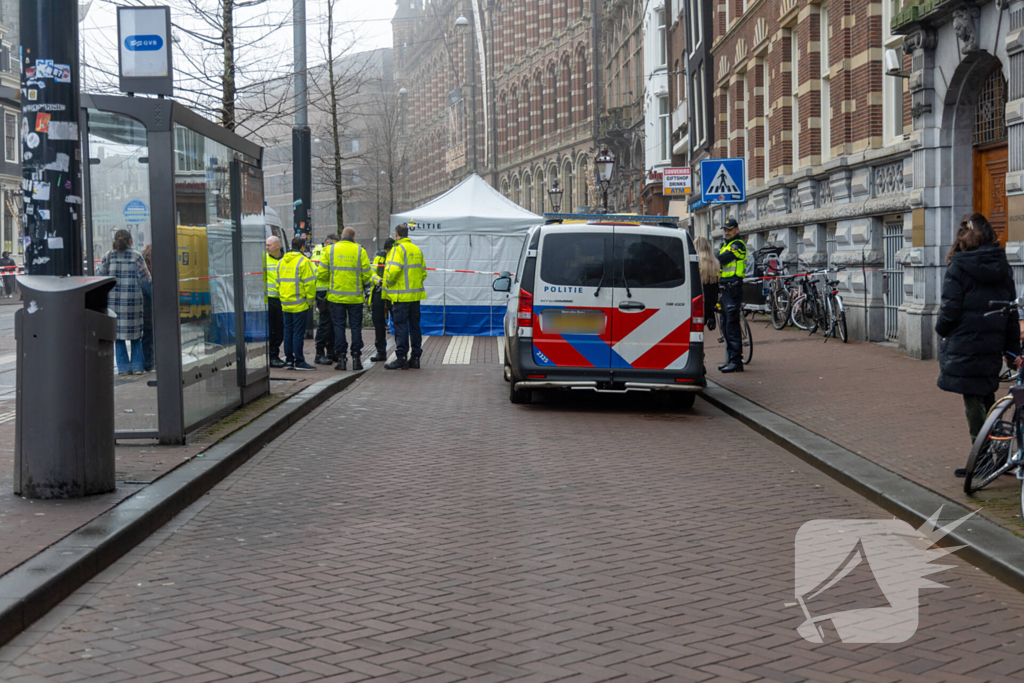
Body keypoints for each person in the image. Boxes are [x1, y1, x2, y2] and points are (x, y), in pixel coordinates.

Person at [936, 213, 1020, 447]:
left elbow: (949, 310)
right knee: (988, 394)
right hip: (993, 344)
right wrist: (1012, 350)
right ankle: (997, 452)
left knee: (973, 400)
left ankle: (981, 455)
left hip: (965, 343)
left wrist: (941, 328)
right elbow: (1011, 311)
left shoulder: (958, 266)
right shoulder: (1002, 265)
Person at [97, 229, 152, 375]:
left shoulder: (108, 256)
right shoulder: (136, 256)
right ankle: (137, 367)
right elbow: (145, 279)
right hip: (133, 303)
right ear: (130, 241)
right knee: (136, 335)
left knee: (118, 336)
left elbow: (99, 275)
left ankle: (123, 369)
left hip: (113, 304)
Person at [319, 227, 373, 371]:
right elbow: (367, 275)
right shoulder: (360, 250)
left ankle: (342, 359)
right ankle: (356, 359)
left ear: (342, 236)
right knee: (356, 328)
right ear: (353, 238)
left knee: (339, 328)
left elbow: (322, 273)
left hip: (336, 298)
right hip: (355, 298)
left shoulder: (330, 250)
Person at [384, 223, 427, 370]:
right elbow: (423, 273)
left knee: (401, 326)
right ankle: (415, 358)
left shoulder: (398, 249)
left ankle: (401, 357)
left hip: (401, 297)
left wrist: (387, 282)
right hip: (415, 297)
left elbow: (394, 270)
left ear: (396, 235)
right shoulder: (417, 250)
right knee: (415, 326)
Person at [278, 235, 317, 370]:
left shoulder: (282, 261)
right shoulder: (304, 261)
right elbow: (310, 284)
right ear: (302, 247)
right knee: (298, 333)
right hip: (299, 304)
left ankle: (289, 361)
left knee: (287, 332)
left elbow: (278, 282)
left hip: (285, 303)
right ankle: (299, 361)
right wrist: (309, 302)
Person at [716, 218, 747, 373]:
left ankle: (736, 361)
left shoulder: (738, 245)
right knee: (725, 325)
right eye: (725, 229)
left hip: (734, 289)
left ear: (736, 230)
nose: (726, 232)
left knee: (732, 326)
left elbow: (721, 259)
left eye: (729, 229)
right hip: (725, 290)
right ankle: (730, 359)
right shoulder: (725, 245)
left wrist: (711, 260)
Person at [313, 234, 339, 364]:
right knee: (324, 322)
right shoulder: (320, 253)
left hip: (331, 291)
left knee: (333, 322)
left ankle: (331, 351)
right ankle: (319, 352)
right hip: (323, 291)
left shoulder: (327, 253)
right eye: (334, 245)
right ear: (327, 243)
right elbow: (319, 273)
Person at [370, 237, 396, 362]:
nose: (387, 254)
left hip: (393, 294)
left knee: (398, 323)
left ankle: (400, 353)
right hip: (379, 292)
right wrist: (377, 280)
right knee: (378, 322)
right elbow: (372, 273)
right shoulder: (379, 257)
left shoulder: (397, 256)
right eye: (386, 251)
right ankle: (381, 352)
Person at [265, 236, 286, 368]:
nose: (267, 247)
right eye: (266, 245)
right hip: (268, 300)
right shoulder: (263, 258)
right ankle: (271, 355)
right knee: (269, 329)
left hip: (283, 300)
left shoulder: (286, 259)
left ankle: (274, 354)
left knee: (280, 329)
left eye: (269, 245)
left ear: (278, 246)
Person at [694, 236, 719, 332]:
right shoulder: (715, 263)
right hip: (709, 306)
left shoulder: (696, 263)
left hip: (697, 304)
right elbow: (714, 290)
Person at [140, 245, 155, 372]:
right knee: (148, 338)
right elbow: (150, 292)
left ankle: (147, 362)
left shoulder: (143, 270)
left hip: (144, 309)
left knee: (147, 338)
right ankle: (148, 363)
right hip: (148, 309)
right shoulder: (147, 274)